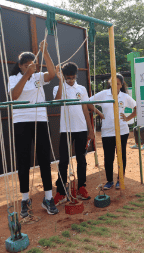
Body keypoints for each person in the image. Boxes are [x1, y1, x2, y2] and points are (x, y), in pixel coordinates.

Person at [8, 41, 59, 217]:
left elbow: (52, 74)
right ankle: (24, 199)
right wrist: (26, 75)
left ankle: (48, 197)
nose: (30, 67)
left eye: (32, 65)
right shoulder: (14, 78)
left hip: (40, 120)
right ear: (20, 66)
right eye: (26, 65)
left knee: (45, 159)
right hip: (22, 122)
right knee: (23, 161)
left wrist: (45, 52)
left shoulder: (38, 77)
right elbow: (14, 96)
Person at [53, 62, 101, 205]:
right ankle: (61, 192)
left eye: (73, 78)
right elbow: (57, 101)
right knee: (63, 161)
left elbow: (85, 108)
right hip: (66, 130)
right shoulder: (59, 87)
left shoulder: (81, 88)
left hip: (81, 129)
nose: (71, 80)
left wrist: (91, 130)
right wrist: (61, 81)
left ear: (76, 76)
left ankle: (81, 187)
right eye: (68, 78)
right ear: (63, 76)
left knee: (81, 160)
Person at [89, 74, 136, 190]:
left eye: (118, 84)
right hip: (107, 131)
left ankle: (120, 180)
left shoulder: (125, 96)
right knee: (108, 157)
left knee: (121, 155)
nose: (116, 86)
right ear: (110, 83)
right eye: (113, 83)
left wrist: (128, 118)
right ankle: (109, 181)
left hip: (122, 131)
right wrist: (99, 113)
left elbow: (137, 107)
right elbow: (87, 102)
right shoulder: (104, 94)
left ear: (121, 85)